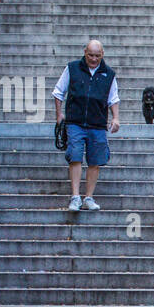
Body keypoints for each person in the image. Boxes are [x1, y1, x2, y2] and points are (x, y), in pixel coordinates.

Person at [53, 39, 120, 211]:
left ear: (102, 55)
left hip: (97, 124)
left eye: (97, 55)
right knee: (75, 156)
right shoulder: (72, 68)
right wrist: (59, 114)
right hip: (75, 122)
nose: (93, 59)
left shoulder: (109, 74)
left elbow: (113, 98)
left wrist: (115, 118)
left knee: (95, 160)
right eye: (90, 55)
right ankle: (75, 196)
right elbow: (58, 91)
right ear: (85, 52)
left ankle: (88, 197)